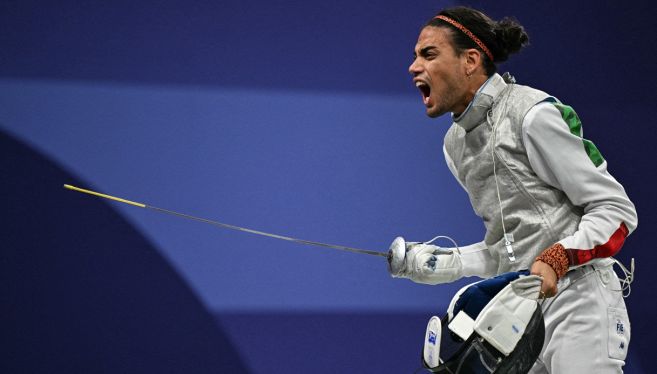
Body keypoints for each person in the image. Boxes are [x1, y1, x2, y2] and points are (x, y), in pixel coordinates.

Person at [388, 6, 637, 373]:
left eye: (428, 54)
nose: (413, 67)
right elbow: (510, 251)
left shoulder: (531, 113)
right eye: (415, 57)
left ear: (470, 60)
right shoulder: (455, 144)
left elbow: (615, 210)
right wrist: (448, 262)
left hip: (580, 300)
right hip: (519, 313)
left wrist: (558, 257)